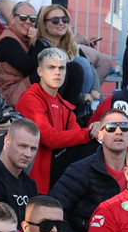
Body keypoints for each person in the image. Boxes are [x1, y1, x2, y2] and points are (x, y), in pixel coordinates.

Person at [16, 47, 93, 194]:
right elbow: (49, 139)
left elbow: (76, 137)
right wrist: (89, 133)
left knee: (96, 144)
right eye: (51, 68)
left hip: (54, 170)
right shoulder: (30, 98)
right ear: (40, 72)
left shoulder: (63, 104)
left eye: (61, 68)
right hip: (34, 175)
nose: (57, 72)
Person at [0, 1, 84, 108]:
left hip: (25, 87)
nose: (28, 22)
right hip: (10, 94)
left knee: (74, 68)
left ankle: (65, 111)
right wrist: (37, 42)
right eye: (23, 18)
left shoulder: (26, 39)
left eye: (32, 19)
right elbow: (30, 68)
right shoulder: (7, 41)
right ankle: (54, 109)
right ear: (12, 19)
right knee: (55, 70)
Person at [0, 118, 40, 225]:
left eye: (33, 149)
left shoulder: (30, 185)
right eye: (22, 146)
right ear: (7, 141)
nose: (28, 154)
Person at [36, 3, 102, 104]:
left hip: (78, 95)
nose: (61, 23)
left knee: (84, 63)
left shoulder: (72, 45)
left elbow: (90, 67)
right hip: (57, 95)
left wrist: (95, 89)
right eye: (55, 20)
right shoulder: (42, 45)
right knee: (80, 63)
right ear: (44, 24)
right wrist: (81, 97)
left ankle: (87, 107)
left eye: (65, 20)